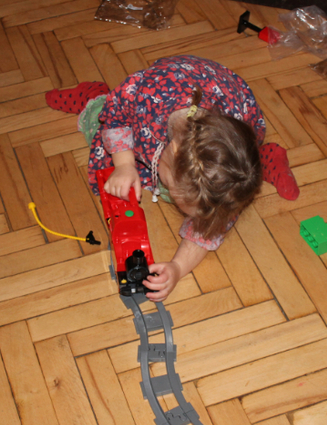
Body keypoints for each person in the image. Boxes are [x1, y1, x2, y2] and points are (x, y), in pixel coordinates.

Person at [46, 55, 298, 302]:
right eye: (178, 197)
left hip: (225, 112)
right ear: (173, 152)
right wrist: (124, 165)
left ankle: (261, 158)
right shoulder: (145, 97)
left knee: (218, 201)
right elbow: (117, 118)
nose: (180, 209)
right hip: (150, 101)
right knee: (100, 132)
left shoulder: (224, 161)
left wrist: (177, 267)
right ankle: (93, 98)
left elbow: (207, 227)